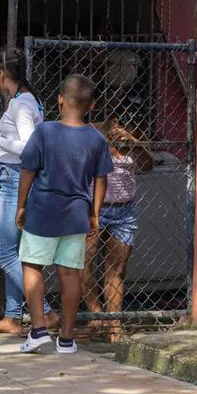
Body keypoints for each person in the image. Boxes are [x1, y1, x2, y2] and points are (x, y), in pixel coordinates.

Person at [16, 74, 113, 354]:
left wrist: (21, 205)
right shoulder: (96, 138)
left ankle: (38, 330)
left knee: (32, 265)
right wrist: (94, 214)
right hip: (76, 214)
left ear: (59, 99)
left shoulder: (45, 132)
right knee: (70, 274)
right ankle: (67, 339)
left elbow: (28, 170)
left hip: (42, 210)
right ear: (91, 105)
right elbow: (101, 179)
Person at [0, 48, 58, 335]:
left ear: (2, 74)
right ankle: (12, 316)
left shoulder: (21, 104)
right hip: (14, 177)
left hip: (14, 179)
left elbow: (29, 148)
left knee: (3, 251)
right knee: (15, 251)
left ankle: (43, 311)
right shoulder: (25, 100)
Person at [80, 118, 152, 330]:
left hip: (124, 210)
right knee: (82, 262)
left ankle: (114, 325)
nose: (118, 122)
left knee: (116, 269)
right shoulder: (91, 133)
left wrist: (134, 143)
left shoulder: (134, 134)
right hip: (94, 208)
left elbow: (147, 166)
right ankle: (96, 314)